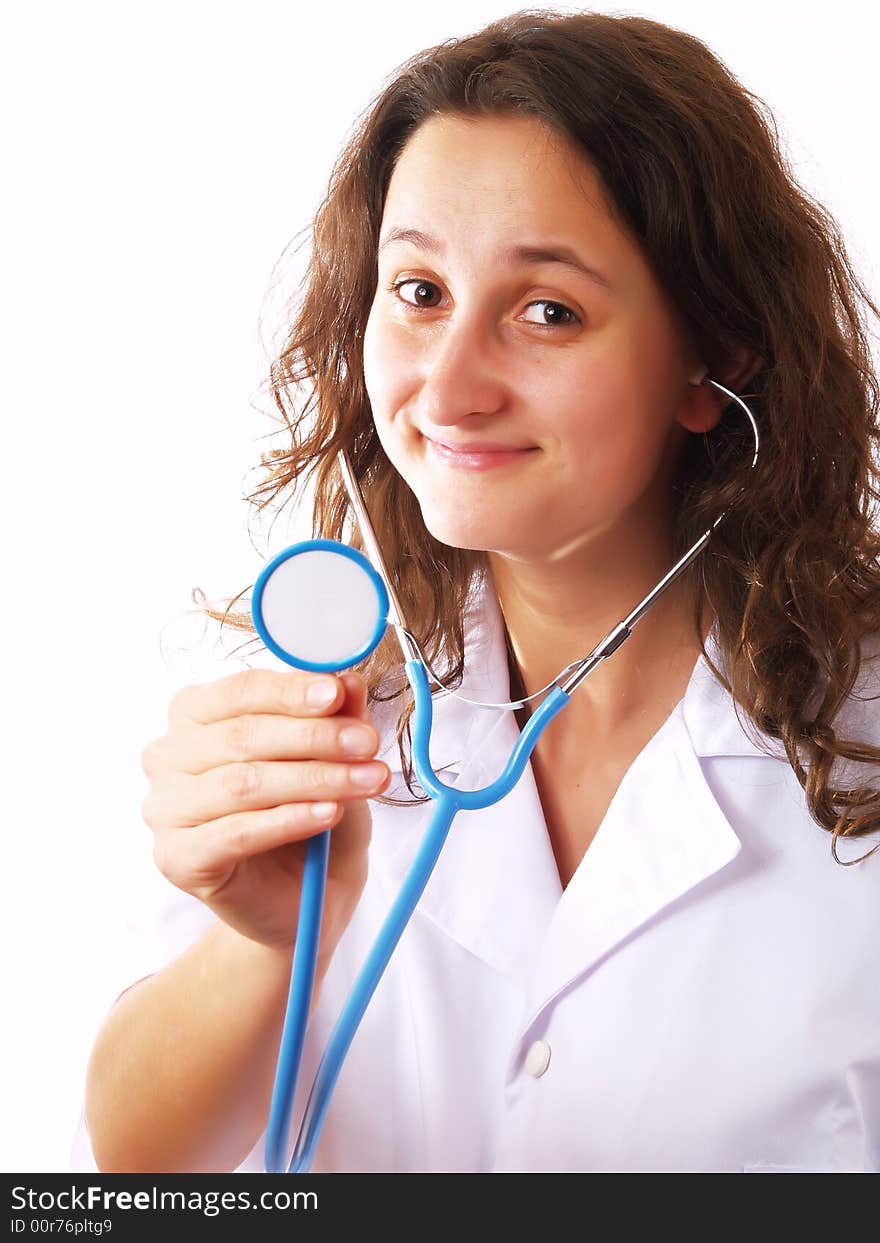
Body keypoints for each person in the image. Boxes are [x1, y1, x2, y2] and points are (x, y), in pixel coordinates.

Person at [76, 10, 880, 1173]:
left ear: (714, 363)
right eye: (416, 292)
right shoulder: (311, 709)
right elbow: (130, 1175)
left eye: (545, 310)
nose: (448, 389)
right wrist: (259, 944)